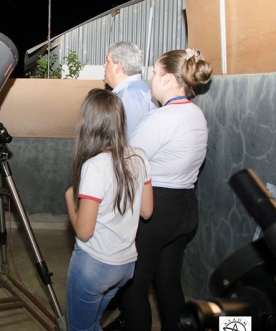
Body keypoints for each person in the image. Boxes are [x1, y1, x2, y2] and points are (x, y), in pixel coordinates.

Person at [120, 48, 213, 331]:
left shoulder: (162, 118)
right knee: (168, 283)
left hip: (157, 211)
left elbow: (128, 163)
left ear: (171, 79)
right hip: (185, 209)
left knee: (133, 287)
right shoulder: (196, 114)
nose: (151, 78)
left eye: (155, 73)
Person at [64, 88, 153, 331]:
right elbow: (147, 211)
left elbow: (83, 232)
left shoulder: (95, 166)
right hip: (125, 266)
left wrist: (71, 199)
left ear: (88, 124)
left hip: (94, 265)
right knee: (92, 324)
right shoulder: (140, 157)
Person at [101, 41, 156, 331]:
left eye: (107, 62)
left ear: (119, 66)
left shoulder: (129, 98)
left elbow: (130, 153)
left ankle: (128, 319)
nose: (105, 68)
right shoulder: (137, 92)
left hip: (130, 191)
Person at [103, 41, 156, 139]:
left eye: (108, 61)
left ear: (118, 67)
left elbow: (130, 144)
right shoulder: (136, 89)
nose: (104, 65)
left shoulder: (130, 96)